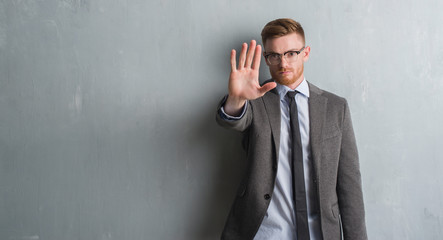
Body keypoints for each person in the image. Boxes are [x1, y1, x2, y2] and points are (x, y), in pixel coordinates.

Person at [216, 18, 367, 240]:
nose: (283, 63)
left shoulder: (335, 108)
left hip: (322, 233)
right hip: (265, 233)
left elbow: (349, 185)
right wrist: (236, 99)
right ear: (266, 59)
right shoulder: (255, 101)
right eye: (274, 56)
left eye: (291, 53)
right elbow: (232, 120)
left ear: (305, 53)